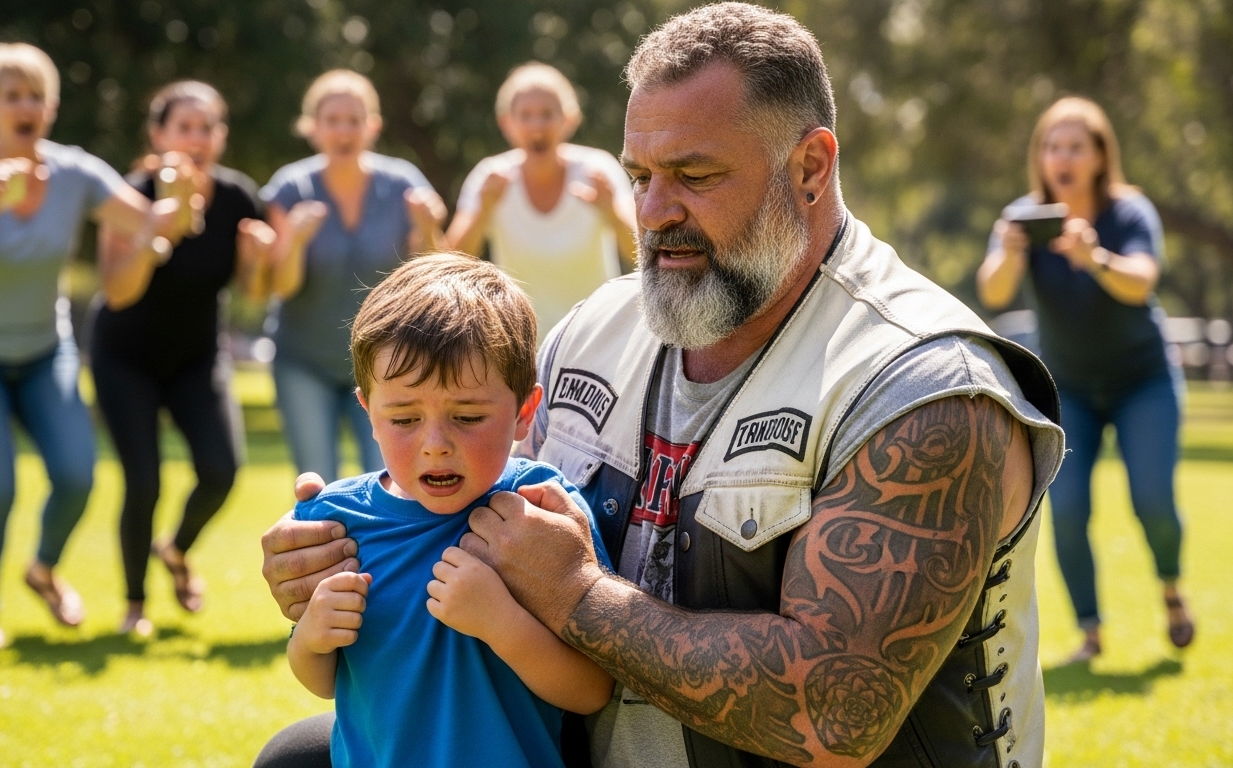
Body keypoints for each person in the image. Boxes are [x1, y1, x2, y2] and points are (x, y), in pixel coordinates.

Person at [262, 5, 1067, 767]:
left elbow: (833, 712)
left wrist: (580, 595)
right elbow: (475, 527)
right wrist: (345, 555)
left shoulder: (925, 389)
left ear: (811, 166)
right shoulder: (591, 331)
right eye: (639, 173)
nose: (651, 210)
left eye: (693, 174)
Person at [268, 253, 613, 767]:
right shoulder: (338, 522)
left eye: (468, 416)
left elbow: (591, 690)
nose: (435, 444)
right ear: (370, 414)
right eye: (404, 418)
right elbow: (322, 683)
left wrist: (501, 622)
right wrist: (314, 634)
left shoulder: (541, 510)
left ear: (524, 413)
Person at [0, 43, 189, 649]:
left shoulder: (76, 172)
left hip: (44, 349)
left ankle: (42, 568)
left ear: (52, 107)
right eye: (12, 95)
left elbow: (147, 220)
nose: (26, 106)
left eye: (36, 95)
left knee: (75, 474)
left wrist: (175, 198)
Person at [977, 96, 1193, 663]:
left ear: (1100, 156)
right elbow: (993, 293)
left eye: (1075, 146)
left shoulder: (1127, 213)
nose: (1061, 157)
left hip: (1143, 381)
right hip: (1069, 388)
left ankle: (1171, 589)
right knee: (1067, 509)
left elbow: (1142, 282)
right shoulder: (1023, 218)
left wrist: (1095, 258)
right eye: (1052, 146)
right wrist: (1012, 253)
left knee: (1153, 501)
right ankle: (1091, 633)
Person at [89, 80, 277, 637]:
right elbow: (117, 290)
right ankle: (133, 606)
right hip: (125, 357)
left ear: (220, 137)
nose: (197, 140)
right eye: (184, 128)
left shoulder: (239, 197)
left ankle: (175, 548)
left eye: (207, 128)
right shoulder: (129, 194)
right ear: (159, 135)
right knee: (143, 481)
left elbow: (252, 291)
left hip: (196, 358)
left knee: (221, 470)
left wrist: (259, 262)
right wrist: (158, 226)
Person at [262, 69, 447, 482]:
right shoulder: (290, 188)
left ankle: (385, 551)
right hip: (303, 360)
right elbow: (281, 286)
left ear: (372, 126)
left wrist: (430, 228)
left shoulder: (402, 183)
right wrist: (293, 239)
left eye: (354, 120)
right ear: (313, 128)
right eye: (332, 120)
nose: (344, 131)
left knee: (390, 479)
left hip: (386, 362)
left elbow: (436, 272)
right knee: (316, 482)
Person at [446, 62, 637, 337]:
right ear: (507, 123)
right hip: (520, 345)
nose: (537, 125)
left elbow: (642, 253)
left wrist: (611, 212)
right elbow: (452, 263)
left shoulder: (598, 171)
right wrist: (483, 211)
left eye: (547, 114)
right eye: (525, 115)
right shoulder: (489, 177)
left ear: (569, 119)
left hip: (595, 337)